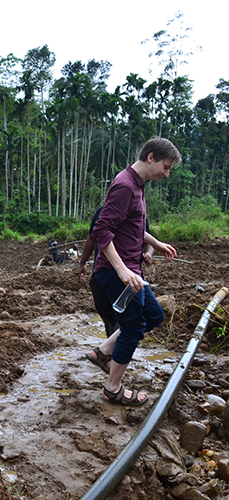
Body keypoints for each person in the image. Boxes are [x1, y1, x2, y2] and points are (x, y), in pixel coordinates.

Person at [86, 137, 181, 407]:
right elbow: (101, 231)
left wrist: (155, 243)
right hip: (117, 272)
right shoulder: (125, 186)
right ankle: (112, 389)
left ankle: (103, 352)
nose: (166, 173)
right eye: (165, 167)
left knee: (153, 314)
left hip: (132, 270)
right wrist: (122, 269)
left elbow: (132, 226)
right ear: (150, 157)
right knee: (134, 326)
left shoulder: (137, 185)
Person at [79, 207, 154, 339]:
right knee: (107, 314)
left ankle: (113, 353)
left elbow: (148, 240)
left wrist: (148, 253)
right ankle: (110, 350)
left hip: (128, 275)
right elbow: (92, 238)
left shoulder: (138, 214)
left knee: (124, 316)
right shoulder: (101, 212)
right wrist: (82, 263)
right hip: (101, 275)